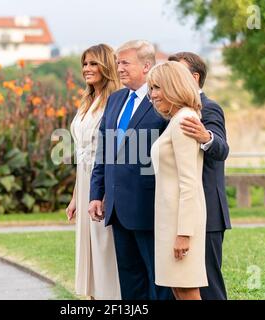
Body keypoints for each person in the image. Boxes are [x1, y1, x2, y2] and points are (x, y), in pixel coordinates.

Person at [88, 40, 173, 300]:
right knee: (130, 278)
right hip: (116, 207)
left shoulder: (163, 99)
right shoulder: (116, 100)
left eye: (125, 63)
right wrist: (96, 193)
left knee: (158, 279)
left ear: (146, 66)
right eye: (117, 63)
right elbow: (103, 151)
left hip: (149, 205)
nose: (119, 69)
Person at [168, 52, 231, 300]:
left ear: (194, 78)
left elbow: (222, 149)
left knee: (208, 285)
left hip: (207, 213)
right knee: (181, 285)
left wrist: (206, 138)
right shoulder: (173, 113)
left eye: (177, 73)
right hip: (181, 212)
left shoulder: (209, 108)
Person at [148, 61, 208, 300]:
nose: (152, 95)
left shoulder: (184, 120)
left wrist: (184, 233)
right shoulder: (176, 119)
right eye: (151, 88)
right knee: (177, 287)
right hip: (168, 220)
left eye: (157, 88)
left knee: (186, 288)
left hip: (180, 223)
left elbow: (189, 182)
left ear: (174, 86)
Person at [66, 44, 121, 300]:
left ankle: (111, 297)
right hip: (84, 179)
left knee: (104, 247)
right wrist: (76, 196)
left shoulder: (115, 100)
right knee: (87, 247)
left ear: (106, 66)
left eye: (93, 64)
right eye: (85, 64)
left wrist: (106, 191)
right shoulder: (87, 100)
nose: (87, 69)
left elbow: (113, 151)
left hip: (104, 181)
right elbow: (81, 155)